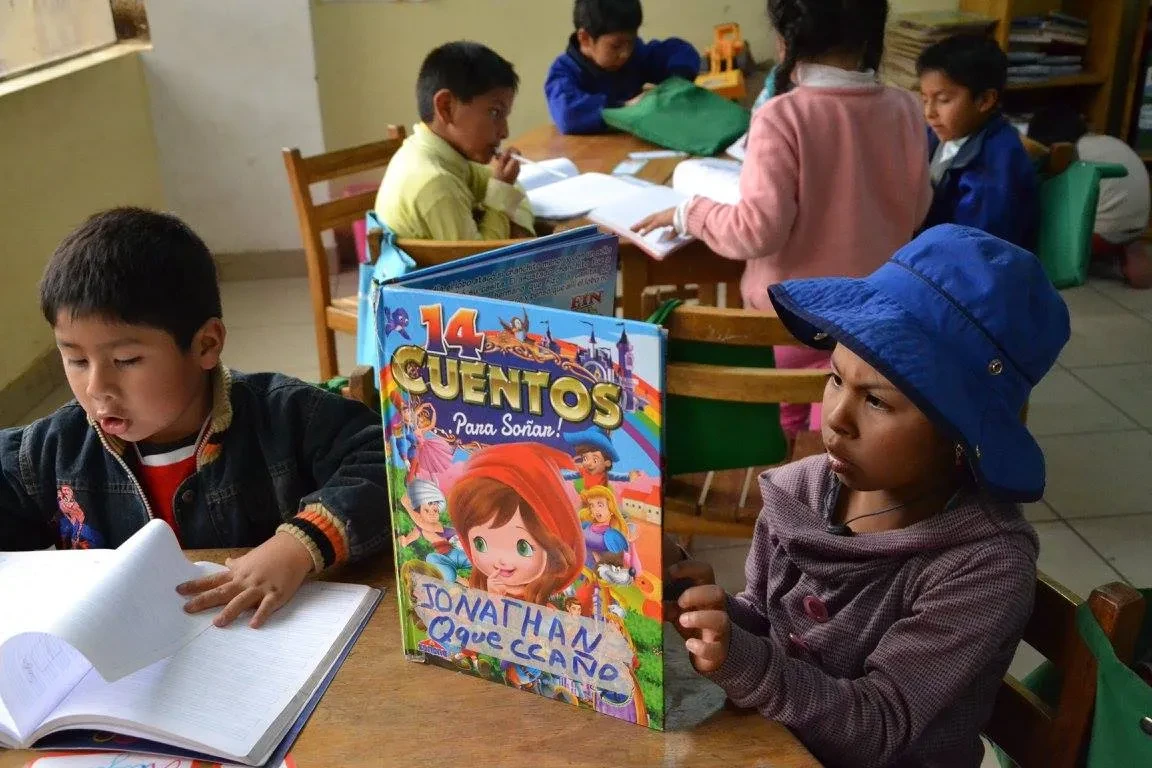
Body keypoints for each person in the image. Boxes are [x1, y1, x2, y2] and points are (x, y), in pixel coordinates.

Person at [667, 224, 1070, 767]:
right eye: (835, 378)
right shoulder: (804, 490)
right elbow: (768, 622)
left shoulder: (983, 566)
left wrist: (748, 663)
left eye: (876, 402)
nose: (835, 419)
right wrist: (716, 619)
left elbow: (881, 726)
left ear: (960, 433)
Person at [0, 208, 391, 628]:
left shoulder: (287, 416)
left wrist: (297, 546)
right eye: (76, 360)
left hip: (267, 642)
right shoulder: (50, 450)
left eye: (126, 359)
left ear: (206, 344)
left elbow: (390, 462)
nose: (97, 386)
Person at [634, 0, 931, 439]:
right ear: (872, 38)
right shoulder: (906, 109)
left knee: (786, 426)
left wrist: (687, 212)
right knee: (838, 435)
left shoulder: (781, 115)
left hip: (791, 322)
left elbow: (756, 231)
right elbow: (918, 207)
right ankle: (827, 495)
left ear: (785, 42)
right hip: (874, 322)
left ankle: (785, 492)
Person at [375, 41, 536, 240]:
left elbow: (513, 187)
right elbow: (482, 267)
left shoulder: (444, 156)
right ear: (446, 107)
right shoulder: (436, 183)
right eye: (495, 112)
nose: (504, 132)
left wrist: (518, 225)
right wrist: (503, 193)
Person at [917, 34, 1039, 250]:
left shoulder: (996, 163)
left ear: (984, 100)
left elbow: (977, 247)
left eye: (943, 100)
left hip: (970, 265)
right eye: (925, 99)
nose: (929, 112)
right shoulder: (943, 133)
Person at [1028, 103, 1152, 289]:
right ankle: (1125, 242)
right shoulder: (1110, 142)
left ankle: (1086, 249)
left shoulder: (1070, 154)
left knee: (1041, 208)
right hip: (1140, 222)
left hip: (1097, 234)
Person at [545, 0, 701, 134]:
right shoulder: (564, 72)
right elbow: (567, 114)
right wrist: (625, 107)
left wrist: (676, 82)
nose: (625, 53)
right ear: (585, 38)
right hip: (590, 155)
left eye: (631, 42)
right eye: (616, 45)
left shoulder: (636, 56)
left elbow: (680, 51)